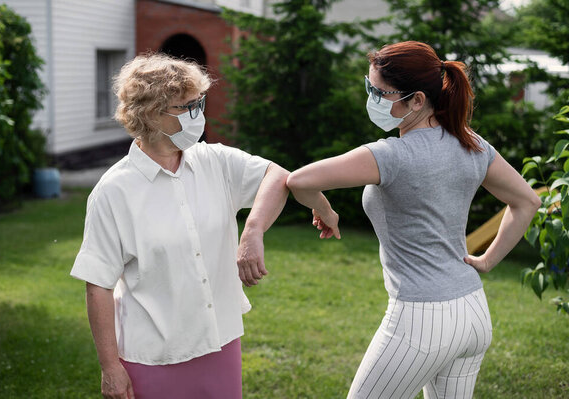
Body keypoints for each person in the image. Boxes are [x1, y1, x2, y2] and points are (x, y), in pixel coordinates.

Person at [286, 41, 540, 399]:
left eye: (380, 92)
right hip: (473, 311)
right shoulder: (473, 145)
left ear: (417, 100)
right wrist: (486, 261)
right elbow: (527, 201)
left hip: (421, 320)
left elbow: (298, 181)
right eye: (369, 87)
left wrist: (326, 210)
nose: (371, 97)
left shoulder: (390, 155)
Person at [70, 53, 289, 399]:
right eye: (186, 106)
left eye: (198, 102)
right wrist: (110, 367)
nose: (198, 114)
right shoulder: (113, 192)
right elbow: (97, 285)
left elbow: (277, 176)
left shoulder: (215, 161)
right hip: (152, 355)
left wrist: (253, 230)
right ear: (151, 114)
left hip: (220, 342)